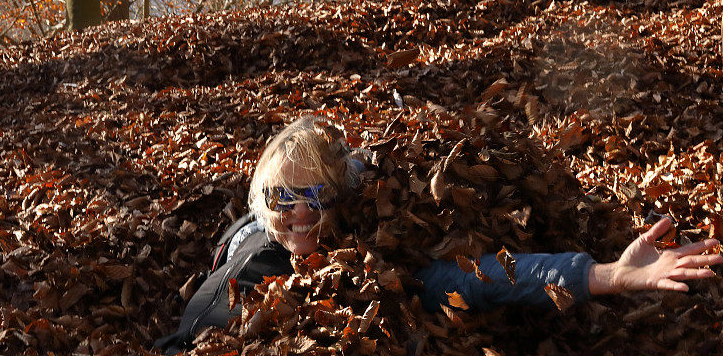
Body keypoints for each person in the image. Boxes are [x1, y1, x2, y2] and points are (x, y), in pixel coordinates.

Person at [156, 116, 722, 354]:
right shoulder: (245, 234)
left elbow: (486, 279)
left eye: (316, 196)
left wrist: (610, 275)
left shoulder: (364, 268)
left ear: (344, 198)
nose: (297, 215)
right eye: (281, 198)